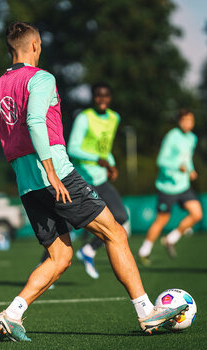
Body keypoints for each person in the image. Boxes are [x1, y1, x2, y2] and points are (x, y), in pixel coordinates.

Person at [0, 22, 187, 342]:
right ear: (34, 46)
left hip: (27, 186)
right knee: (115, 232)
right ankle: (147, 312)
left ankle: (12, 314)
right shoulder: (42, 78)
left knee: (60, 257)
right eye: (40, 45)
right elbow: (35, 120)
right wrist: (50, 170)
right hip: (56, 175)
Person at [68, 82, 128, 279]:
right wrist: (98, 160)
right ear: (93, 97)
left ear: (110, 98)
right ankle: (45, 263)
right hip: (82, 180)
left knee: (120, 216)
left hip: (101, 179)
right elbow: (72, 148)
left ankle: (89, 250)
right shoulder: (84, 118)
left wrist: (111, 163)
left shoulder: (114, 117)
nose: (102, 99)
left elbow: (105, 146)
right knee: (67, 224)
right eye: (98, 95)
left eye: (106, 95)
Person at [137, 109, 202, 263]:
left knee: (197, 214)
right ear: (179, 121)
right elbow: (161, 161)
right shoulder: (172, 136)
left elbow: (187, 158)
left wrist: (191, 170)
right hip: (167, 186)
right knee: (161, 220)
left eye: (191, 120)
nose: (188, 123)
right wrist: (177, 166)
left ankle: (171, 239)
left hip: (183, 185)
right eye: (185, 120)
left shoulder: (192, 138)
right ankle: (144, 251)